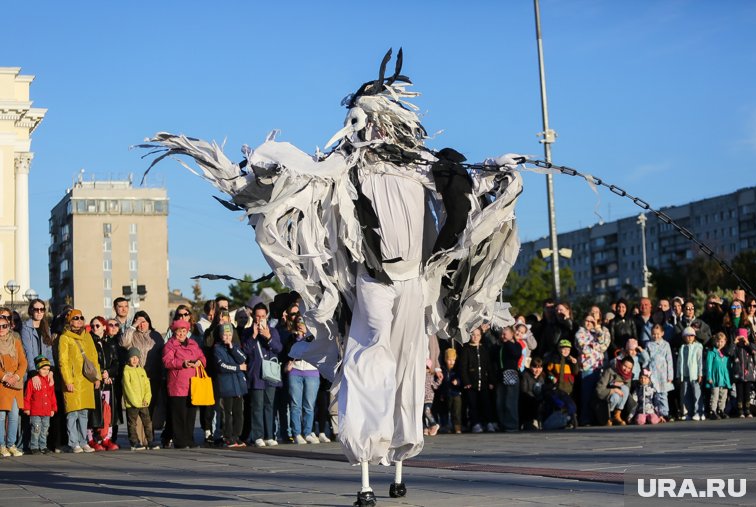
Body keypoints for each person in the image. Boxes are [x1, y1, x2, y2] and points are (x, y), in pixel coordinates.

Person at [145, 50, 524, 505]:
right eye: (359, 120)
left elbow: (464, 194)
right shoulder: (349, 166)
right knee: (370, 359)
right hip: (376, 281)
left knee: (406, 364)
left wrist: (490, 175)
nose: (366, 127)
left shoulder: (422, 166)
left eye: (372, 118)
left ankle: (400, 453)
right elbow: (304, 171)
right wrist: (267, 168)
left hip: (416, 283)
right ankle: (365, 452)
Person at [58, 309, 101, 453]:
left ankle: (83, 442)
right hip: (73, 380)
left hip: (86, 380)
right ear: (69, 321)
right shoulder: (65, 338)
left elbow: (94, 357)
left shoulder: (87, 336)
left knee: (83, 413)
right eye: (75, 318)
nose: (79, 320)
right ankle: (73, 442)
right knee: (72, 413)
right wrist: (67, 380)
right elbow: (62, 361)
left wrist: (97, 377)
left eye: (81, 317)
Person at [241, 303, 282, 447]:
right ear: (253, 316)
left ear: (267, 316)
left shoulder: (273, 331)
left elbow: (278, 348)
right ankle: (258, 435)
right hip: (256, 374)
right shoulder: (247, 332)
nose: (260, 319)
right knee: (257, 405)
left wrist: (268, 337)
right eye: (257, 316)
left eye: (263, 316)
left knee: (269, 405)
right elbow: (245, 351)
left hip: (270, 373)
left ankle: (269, 435)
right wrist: (254, 335)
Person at [163, 318, 206, 448]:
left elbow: (202, 357)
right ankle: (179, 441)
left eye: (183, 331)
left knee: (191, 415)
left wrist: (200, 362)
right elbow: (167, 361)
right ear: (174, 332)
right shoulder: (170, 345)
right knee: (178, 415)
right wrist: (182, 364)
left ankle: (189, 439)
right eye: (178, 331)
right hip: (177, 385)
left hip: (193, 385)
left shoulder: (193, 344)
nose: (181, 334)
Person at [284, 315, 321, 445]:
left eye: (303, 321)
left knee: (309, 405)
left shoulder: (315, 337)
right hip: (295, 372)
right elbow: (288, 353)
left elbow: (317, 351)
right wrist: (298, 338)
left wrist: (307, 337)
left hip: (312, 372)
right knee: (295, 404)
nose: (300, 323)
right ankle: (297, 434)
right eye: (298, 321)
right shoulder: (292, 337)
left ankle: (307, 432)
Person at [87, 316, 120, 451]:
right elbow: (89, 362)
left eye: (98, 326)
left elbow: (116, 362)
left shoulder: (109, 343)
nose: (95, 328)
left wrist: (109, 373)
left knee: (108, 410)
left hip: (107, 382)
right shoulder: (89, 342)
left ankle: (106, 438)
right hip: (94, 381)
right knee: (93, 411)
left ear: (104, 327)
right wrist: (101, 373)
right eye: (93, 326)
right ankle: (91, 439)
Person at [214, 323, 248, 447]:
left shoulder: (235, 346)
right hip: (226, 387)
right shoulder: (217, 349)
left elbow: (243, 358)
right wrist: (238, 368)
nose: (227, 337)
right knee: (227, 413)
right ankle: (228, 437)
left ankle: (236, 435)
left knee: (239, 413)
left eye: (229, 334)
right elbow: (222, 366)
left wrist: (232, 347)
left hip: (238, 385)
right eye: (225, 334)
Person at [575, 313, 610, 426]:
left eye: (592, 321)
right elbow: (584, 348)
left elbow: (604, 344)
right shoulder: (580, 333)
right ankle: (585, 419)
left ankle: (597, 418)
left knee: (597, 395)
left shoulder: (596, 332)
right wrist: (596, 347)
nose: (589, 323)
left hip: (599, 367)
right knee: (587, 395)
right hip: (587, 367)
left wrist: (597, 329)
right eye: (587, 321)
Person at [0, 313, 27, 456]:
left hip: (15, 384)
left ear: (9, 327)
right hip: (2, 385)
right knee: (1, 416)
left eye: (4, 326)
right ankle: (1, 446)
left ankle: (11, 444)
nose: (1, 329)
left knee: (14, 416)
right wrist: (4, 376)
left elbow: (23, 362)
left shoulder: (15, 341)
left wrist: (16, 376)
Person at [460, 327, 496, 433]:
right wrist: (466, 381)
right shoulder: (466, 349)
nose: (475, 337)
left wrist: (491, 381)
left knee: (486, 403)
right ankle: (475, 423)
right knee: (473, 404)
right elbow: (463, 367)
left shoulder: (484, 349)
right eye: (473, 335)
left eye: (478, 335)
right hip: (471, 383)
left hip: (484, 382)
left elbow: (488, 367)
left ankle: (488, 422)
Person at [122, 347, 157, 450]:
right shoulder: (126, 371)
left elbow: (147, 386)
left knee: (147, 422)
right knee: (132, 423)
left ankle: (150, 441)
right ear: (128, 359)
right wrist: (135, 402)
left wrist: (147, 399)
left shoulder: (142, 370)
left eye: (136, 357)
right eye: (132, 357)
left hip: (143, 403)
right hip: (132, 404)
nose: (134, 360)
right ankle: (134, 442)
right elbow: (127, 388)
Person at [23, 355, 57, 454]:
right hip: (35, 411)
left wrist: (53, 408)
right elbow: (27, 395)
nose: (46, 371)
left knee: (45, 429)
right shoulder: (32, 381)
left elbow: (52, 396)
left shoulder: (49, 381)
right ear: (38, 369)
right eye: (43, 369)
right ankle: (34, 446)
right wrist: (27, 408)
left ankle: (43, 446)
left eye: (48, 369)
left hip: (46, 411)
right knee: (36, 428)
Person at [494, 326, 522, 431]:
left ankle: (512, 424)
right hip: (500, 376)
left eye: (505, 333)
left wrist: (508, 342)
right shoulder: (499, 346)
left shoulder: (515, 345)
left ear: (511, 334)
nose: (503, 336)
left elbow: (516, 354)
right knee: (500, 402)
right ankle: (502, 424)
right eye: (502, 334)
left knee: (510, 401)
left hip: (511, 375)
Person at [645, 324, 674, 421]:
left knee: (663, 394)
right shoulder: (648, 344)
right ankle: (657, 413)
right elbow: (646, 358)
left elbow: (669, 360)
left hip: (663, 373)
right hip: (653, 372)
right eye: (653, 334)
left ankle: (665, 412)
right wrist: (646, 371)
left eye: (657, 334)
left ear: (662, 333)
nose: (655, 336)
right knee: (655, 393)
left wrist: (670, 375)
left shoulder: (666, 344)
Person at [596, 356, 634, 426]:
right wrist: (614, 389)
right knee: (615, 396)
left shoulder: (628, 376)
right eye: (625, 366)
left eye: (629, 368)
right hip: (605, 400)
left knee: (625, 389)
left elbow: (626, 391)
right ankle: (608, 416)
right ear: (620, 363)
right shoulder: (610, 371)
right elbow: (599, 390)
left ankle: (617, 415)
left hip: (619, 399)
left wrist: (620, 385)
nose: (626, 369)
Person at [676, 327, 704, 421]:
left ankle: (699, 411)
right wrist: (679, 375)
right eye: (687, 336)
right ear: (684, 337)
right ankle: (688, 412)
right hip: (685, 374)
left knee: (697, 394)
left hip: (695, 375)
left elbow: (700, 361)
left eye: (691, 335)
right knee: (685, 394)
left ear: (694, 336)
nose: (689, 337)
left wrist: (700, 373)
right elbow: (679, 361)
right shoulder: (682, 348)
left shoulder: (698, 347)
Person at [705, 332, 731, 420]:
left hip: (724, 377)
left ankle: (721, 410)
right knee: (715, 394)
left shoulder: (726, 353)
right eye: (718, 341)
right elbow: (708, 365)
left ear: (725, 342)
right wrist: (709, 377)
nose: (720, 343)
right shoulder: (711, 352)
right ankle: (713, 410)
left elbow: (728, 366)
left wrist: (729, 377)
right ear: (715, 341)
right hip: (715, 376)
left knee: (723, 394)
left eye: (722, 341)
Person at [520, 357, 548, 430]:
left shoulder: (542, 376)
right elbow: (524, 391)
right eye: (535, 367)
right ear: (530, 367)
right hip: (528, 401)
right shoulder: (525, 375)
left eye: (540, 367)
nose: (537, 370)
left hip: (538, 400)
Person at [439, 348, 462, 434]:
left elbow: (461, 379)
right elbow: (441, 384)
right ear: (445, 359)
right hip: (445, 393)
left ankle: (457, 427)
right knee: (445, 410)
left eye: (453, 360)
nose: (451, 362)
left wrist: (457, 382)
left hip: (455, 393)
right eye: (449, 360)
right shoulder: (443, 369)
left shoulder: (457, 369)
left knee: (456, 411)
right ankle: (446, 426)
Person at [422, 358, 441, 436]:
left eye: (427, 367)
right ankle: (425, 427)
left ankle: (434, 424)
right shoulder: (419, 376)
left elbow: (435, 386)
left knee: (427, 411)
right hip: (421, 398)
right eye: (424, 367)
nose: (425, 369)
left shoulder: (430, 376)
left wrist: (439, 381)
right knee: (421, 414)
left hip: (429, 398)